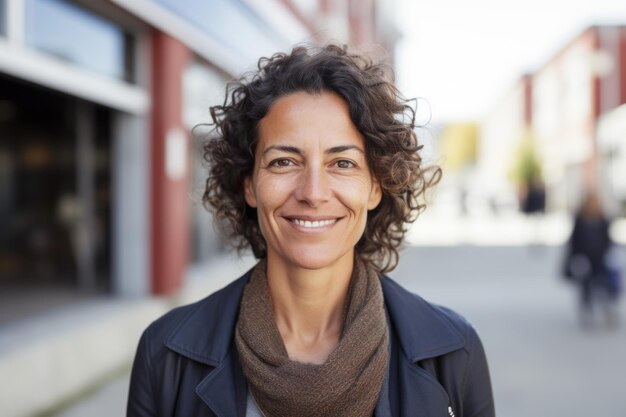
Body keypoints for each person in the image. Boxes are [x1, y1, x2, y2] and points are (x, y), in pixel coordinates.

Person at [127, 44, 495, 417]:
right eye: (284, 161)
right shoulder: (166, 354)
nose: (313, 193)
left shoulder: (453, 352)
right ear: (249, 184)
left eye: (343, 163)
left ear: (375, 186)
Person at [563, 192, 619, 328]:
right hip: (585, 260)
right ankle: (588, 311)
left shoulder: (603, 220)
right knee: (586, 287)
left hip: (600, 260)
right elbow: (574, 242)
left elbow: (608, 240)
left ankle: (606, 311)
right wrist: (575, 258)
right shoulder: (580, 220)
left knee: (605, 286)